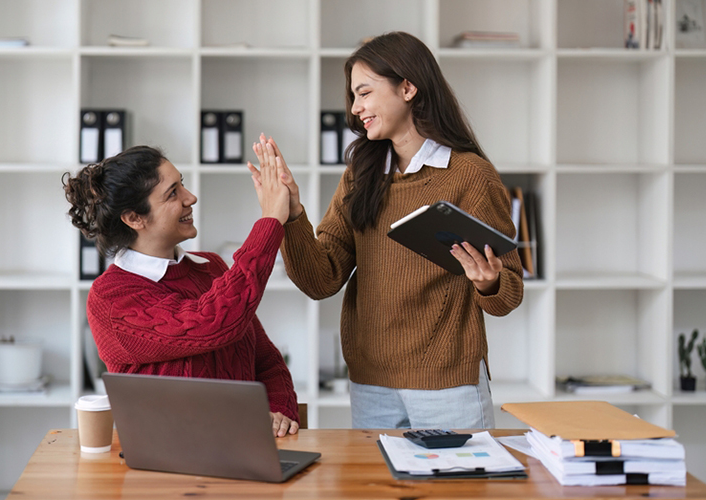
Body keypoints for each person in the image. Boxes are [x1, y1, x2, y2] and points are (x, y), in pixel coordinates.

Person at [248, 31, 524, 430]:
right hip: (369, 383)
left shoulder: (470, 176)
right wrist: (291, 215)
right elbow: (320, 280)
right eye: (354, 97)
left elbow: (508, 293)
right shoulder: (361, 176)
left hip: (448, 387)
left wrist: (488, 282)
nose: (356, 108)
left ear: (408, 87)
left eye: (364, 93)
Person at [63, 145, 300, 436]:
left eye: (183, 184)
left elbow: (266, 361)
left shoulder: (212, 266)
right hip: (165, 466)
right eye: (172, 192)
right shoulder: (111, 297)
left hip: (244, 449)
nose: (191, 198)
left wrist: (280, 413)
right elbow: (210, 323)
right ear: (134, 218)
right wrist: (271, 220)